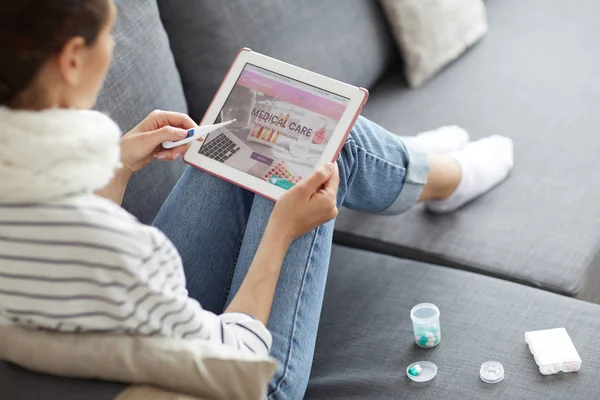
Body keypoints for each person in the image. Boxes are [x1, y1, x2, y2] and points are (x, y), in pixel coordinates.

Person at [0, 1, 513, 399]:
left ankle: (412, 161)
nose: (111, 46)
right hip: (241, 378)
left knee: (245, 138)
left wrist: (117, 164)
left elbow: (69, 271)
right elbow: (240, 366)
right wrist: (280, 234)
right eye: (109, 34)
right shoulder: (119, 250)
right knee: (327, 154)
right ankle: (444, 177)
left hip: (149, 330)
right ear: (71, 58)